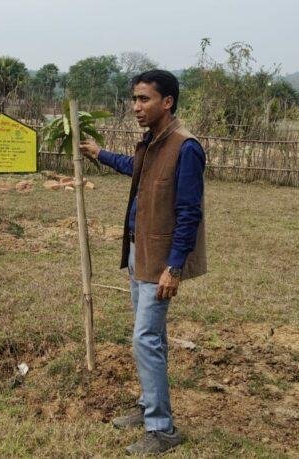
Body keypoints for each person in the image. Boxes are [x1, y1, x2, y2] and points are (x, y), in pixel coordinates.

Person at [79, 69, 207, 455]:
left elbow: (189, 213)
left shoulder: (186, 147)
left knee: (144, 338)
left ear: (167, 102)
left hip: (160, 261)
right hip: (139, 252)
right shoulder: (152, 143)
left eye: (144, 99)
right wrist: (99, 154)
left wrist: (175, 267)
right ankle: (148, 405)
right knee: (152, 337)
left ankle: (162, 428)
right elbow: (136, 170)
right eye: (134, 99)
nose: (135, 107)